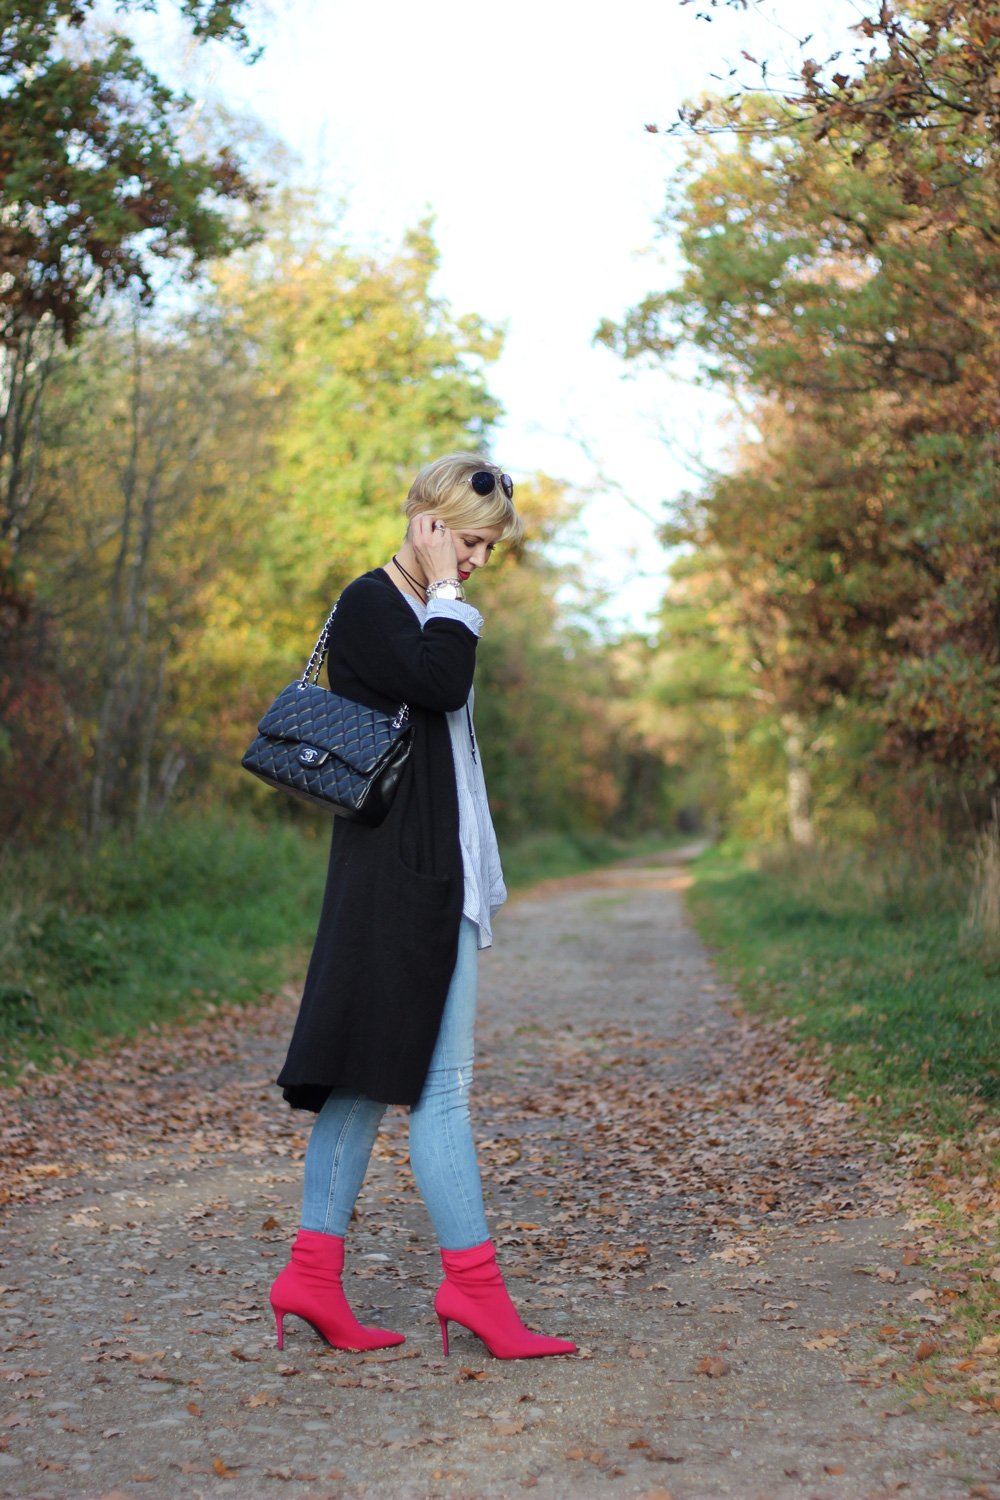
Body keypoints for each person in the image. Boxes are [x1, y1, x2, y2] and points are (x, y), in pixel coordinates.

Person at [269, 453, 577, 1362]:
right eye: (470, 541)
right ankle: (477, 1295)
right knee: (441, 1090)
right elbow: (439, 685)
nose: (478, 560)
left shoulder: (424, 610)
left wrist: (445, 592)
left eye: (487, 548)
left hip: (423, 873)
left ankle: (312, 1278)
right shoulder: (377, 604)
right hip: (404, 879)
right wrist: (446, 589)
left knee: (369, 1079)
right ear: (426, 521)